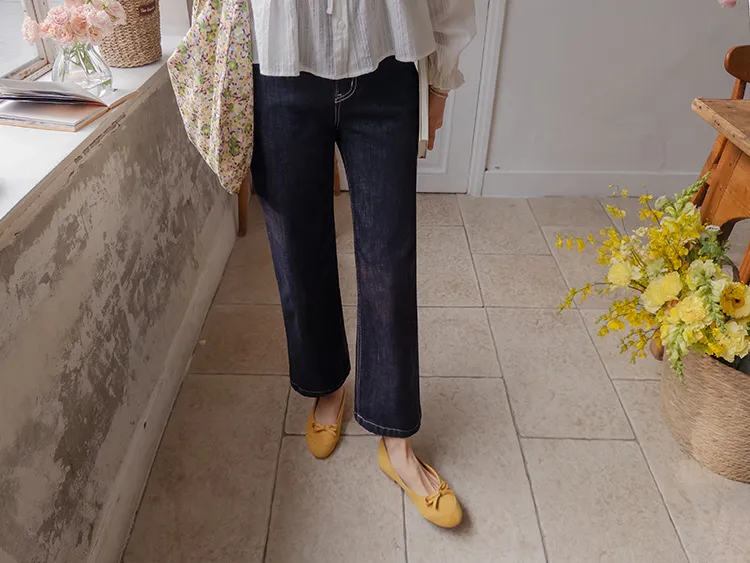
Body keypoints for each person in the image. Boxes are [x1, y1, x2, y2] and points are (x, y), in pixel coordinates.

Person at [248, 0, 476, 528]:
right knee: (298, 250)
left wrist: (441, 81)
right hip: (279, 66)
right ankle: (327, 384)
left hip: (386, 62)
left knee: (388, 260)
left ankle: (396, 438)